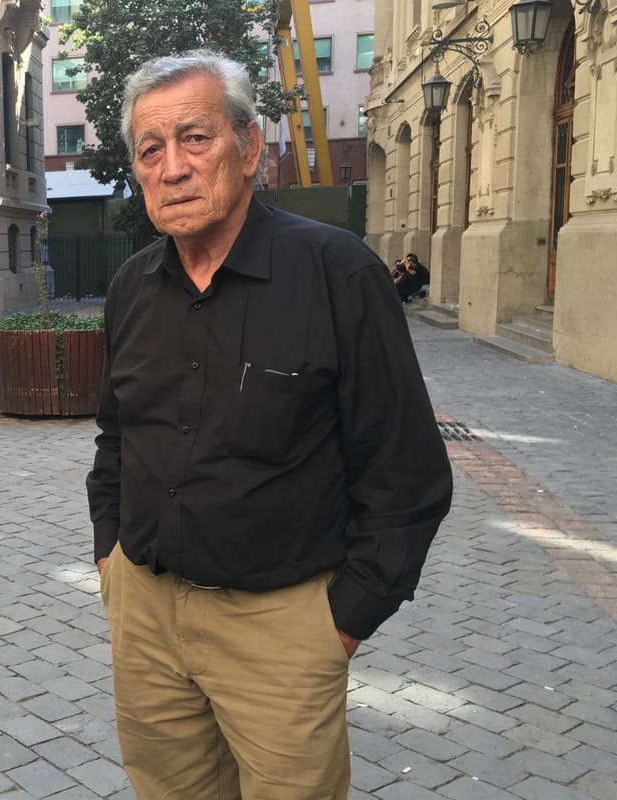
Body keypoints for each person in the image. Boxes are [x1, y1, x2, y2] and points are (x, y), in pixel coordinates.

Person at [86, 49, 453, 800]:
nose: (173, 168)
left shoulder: (336, 272)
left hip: (282, 628)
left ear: (249, 148)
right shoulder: (130, 288)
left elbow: (406, 472)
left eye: (195, 138)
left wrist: (338, 625)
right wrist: (109, 560)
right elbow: (115, 439)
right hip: (145, 617)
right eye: (151, 150)